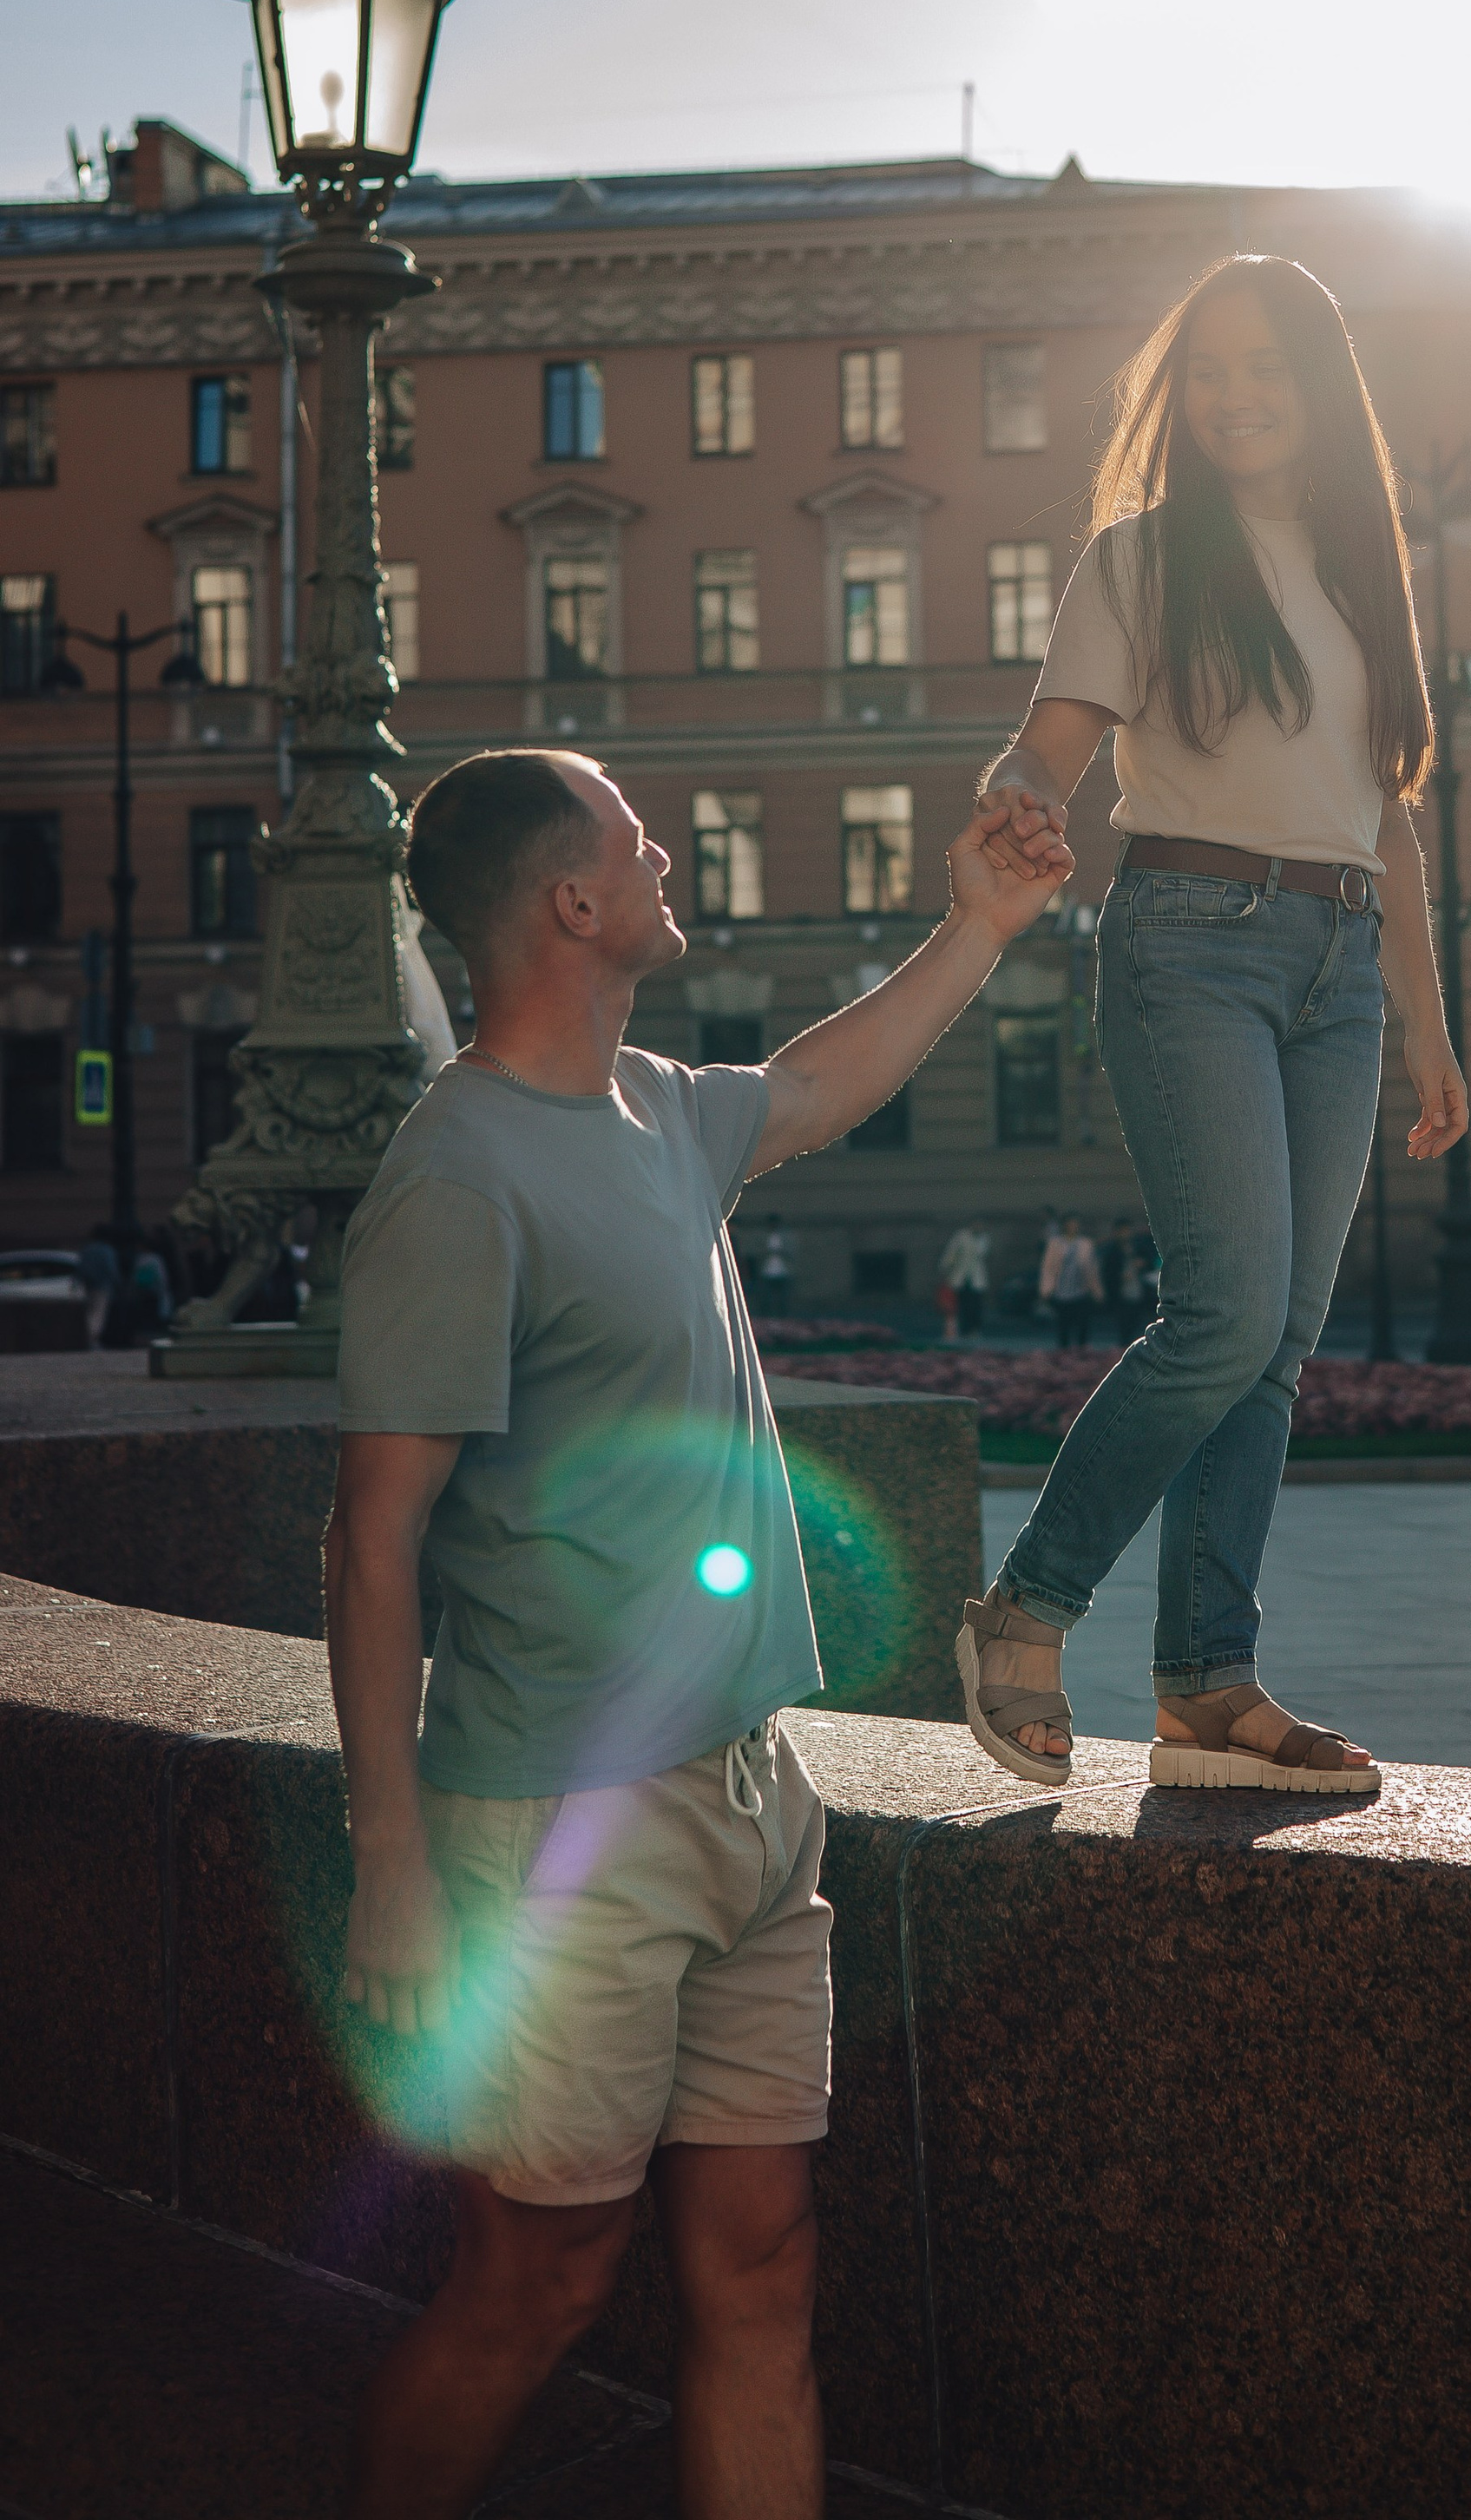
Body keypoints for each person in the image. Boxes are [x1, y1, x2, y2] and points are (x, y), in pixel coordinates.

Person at [327, 746, 1069, 2520]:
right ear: (569, 903)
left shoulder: (660, 1106)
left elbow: (821, 1082)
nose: (664, 853)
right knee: (542, 2282)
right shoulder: (456, 1178)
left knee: (763, 2269)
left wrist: (977, 925)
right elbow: (371, 1542)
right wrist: (392, 1870)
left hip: (750, 1794)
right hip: (559, 1831)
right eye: (631, 839)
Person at [953, 253, 1467, 1799]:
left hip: (1339, 966)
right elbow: (1051, 739)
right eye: (1213, 371)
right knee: (1226, 1316)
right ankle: (1024, 1612)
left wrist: (1429, 1034)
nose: (1240, 396)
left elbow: (1391, 824)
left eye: (1271, 368)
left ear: (1320, 390)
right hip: (1194, 944)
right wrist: (1018, 797)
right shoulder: (1144, 555)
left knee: (1278, 1347)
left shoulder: (1362, 569)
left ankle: (1208, 1689)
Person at [1038, 1212, 1102, 1349]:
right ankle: (1064, 1352)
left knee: (1083, 1324)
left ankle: (1082, 1350)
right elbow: (1048, 1267)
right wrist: (1046, 1289)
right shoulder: (1055, 1244)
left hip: (1081, 1290)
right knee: (1063, 1326)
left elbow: (1092, 1269)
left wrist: (1097, 1291)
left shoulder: (1085, 1244)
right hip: (1061, 1290)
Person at [937, 1220, 992, 1343]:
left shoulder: (983, 1238)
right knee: (962, 1304)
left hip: (976, 1278)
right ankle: (964, 1329)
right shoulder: (960, 1236)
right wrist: (945, 1268)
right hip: (961, 1277)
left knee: (976, 1305)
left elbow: (983, 1252)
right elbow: (951, 1253)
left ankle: (974, 1329)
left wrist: (980, 1238)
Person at [74, 1230, 118, 1351]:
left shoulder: (87, 1249)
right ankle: (92, 1341)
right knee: (98, 1314)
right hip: (103, 1287)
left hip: (88, 1286)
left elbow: (80, 1268)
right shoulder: (106, 1250)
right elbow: (111, 1269)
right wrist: (117, 1283)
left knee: (89, 1313)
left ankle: (89, 1340)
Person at [754, 1215, 794, 1328]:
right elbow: (757, 1252)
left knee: (783, 1300)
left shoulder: (785, 1237)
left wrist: (781, 1252)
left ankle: (784, 1323)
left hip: (783, 1272)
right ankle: (765, 1323)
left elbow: (792, 1252)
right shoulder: (763, 1236)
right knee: (766, 1300)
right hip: (767, 1272)